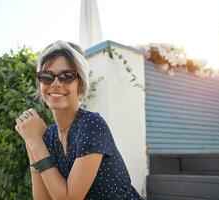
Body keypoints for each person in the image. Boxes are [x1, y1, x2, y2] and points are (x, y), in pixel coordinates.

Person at [15, 40, 143, 200]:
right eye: (47, 76)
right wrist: (31, 143)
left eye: (66, 76)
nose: (55, 84)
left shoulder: (91, 125)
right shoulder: (49, 136)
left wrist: (35, 142)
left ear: (80, 84)